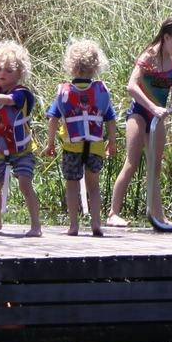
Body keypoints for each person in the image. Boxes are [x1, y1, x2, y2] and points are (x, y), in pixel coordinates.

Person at [108, 16, 172, 228]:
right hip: (139, 114)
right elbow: (131, 86)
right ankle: (113, 213)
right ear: (166, 37)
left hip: (157, 119)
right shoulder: (149, 56)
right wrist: (152, 107)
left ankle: (158, 215)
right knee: (132, 162)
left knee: (155, 166)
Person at [43, 38, 117, 237]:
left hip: (72, 147)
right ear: (96, 67)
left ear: (71, 66)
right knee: (94, 186)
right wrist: (112, 142)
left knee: (72, 185)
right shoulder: (101, 91)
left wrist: (50, 143)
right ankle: (96, 224)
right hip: (95, 147)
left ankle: (73, 225)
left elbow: (53, 119)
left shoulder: (64, 93)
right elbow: (110, 119)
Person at [0, 40, 43, 237]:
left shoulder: (22, 94)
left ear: (19, 73)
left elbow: (8, 101)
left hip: (22, 150)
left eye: (8, 70)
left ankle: (36, 226)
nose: (2, 73)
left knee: (25, 183)